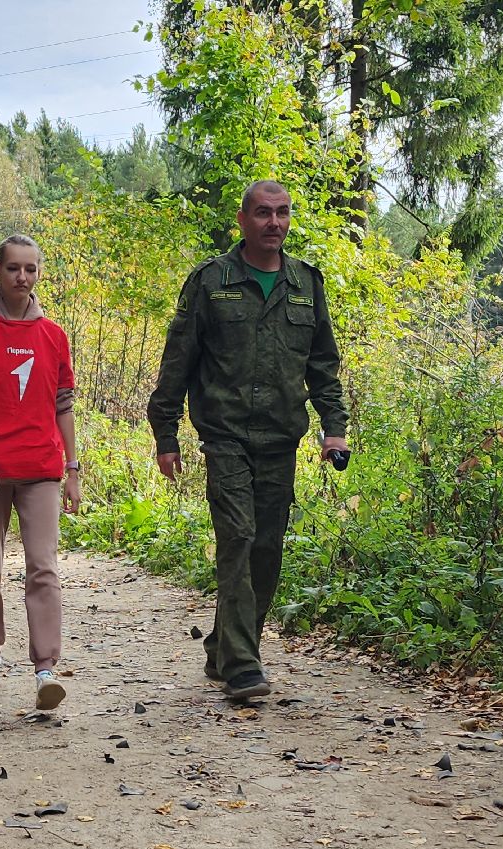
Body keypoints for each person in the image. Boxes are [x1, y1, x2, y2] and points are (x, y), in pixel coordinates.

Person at [147, 181, 349, 702]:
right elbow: (179, 360)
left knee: (266, 549)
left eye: (282, 214)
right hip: (226, 436)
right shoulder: (211, 282)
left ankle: (224, 646)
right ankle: (242, 665)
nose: (274, 223)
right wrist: (165, 432)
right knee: (237, 536)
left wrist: (335, 427)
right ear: (242, 220)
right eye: (263, 213)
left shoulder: (307, 283)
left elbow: (323, 364)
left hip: (281, 438)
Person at [0, 235, 80, 711]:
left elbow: (63, 405)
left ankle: (45, 666)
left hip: (41, 468)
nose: (21, 277)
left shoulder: (54, 336)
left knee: (43, 567)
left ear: (38, 274)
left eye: (30, 269)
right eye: (13, 269)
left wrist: (72, 468)